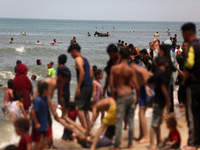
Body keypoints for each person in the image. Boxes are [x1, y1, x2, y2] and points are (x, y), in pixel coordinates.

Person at [110, 47, 139, 150]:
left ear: (120, 56)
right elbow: (136, 86)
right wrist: (138, 99)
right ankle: (130, 144)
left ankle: (117, 145)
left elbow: (111, 86)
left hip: (121, 96)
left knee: (119, 121)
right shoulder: (131, 69)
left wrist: (114, 98)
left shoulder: (114, 68)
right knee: (130, 120)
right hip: (130, 95)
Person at [182, 22, 200, 150]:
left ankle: (192, 143)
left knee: (192, 115)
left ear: (187, 33)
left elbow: (189, 65)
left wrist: (184, 81)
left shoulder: (192, 47)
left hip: (193, 84)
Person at [147, 57, 171, 150]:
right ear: (166, 64)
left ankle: (158, 141)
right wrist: (168, 99)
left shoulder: (156, 74)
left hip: (156, 99)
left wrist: (153, 89)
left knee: (157, 123)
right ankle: (152, 144)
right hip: (160, 101)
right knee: (154, 123)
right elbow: (164, 88)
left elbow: (148, 82)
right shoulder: (163, 74)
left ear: (156, 65)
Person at [67, 44, 93, 129]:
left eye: (71, 53)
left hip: (84, 86)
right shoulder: (86, 59)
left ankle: (84, 128)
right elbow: (91, 73)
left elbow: (82, 72)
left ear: (74, 51)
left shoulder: (78, 59)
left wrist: (78, 87)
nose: (71, 55)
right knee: (85, 109)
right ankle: (88, 128)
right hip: (89, 85)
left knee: (77, 107)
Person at [31, 81, 52, 150]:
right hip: (37, 124)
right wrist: (36, 123)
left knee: (48, 137)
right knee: (37, 141)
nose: (49, 90)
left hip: (44, 123)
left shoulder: (45, 98)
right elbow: (33, 112)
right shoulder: (38, 100)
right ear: (44, 90)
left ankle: (42, 148)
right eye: (48, 89)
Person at [176, 42, 188, 106]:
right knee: (181, 87)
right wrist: (179, 71)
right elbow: (177, 65)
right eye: (183, 46)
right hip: (181, 73)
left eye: (186, 46)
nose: (185, 47)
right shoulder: (179, 56)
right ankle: (180, 102)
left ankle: (186, 101)